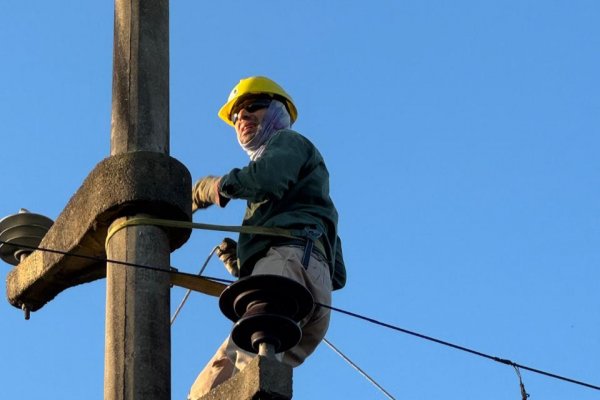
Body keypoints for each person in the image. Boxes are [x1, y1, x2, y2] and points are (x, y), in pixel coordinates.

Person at [188, 76, 346, 399]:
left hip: (290, 272)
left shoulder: (288, 143)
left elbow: (266, 179)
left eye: (252, 108)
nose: (242, 118)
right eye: (236, 116)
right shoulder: (313, 195)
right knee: (225, 389)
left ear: (277, 111)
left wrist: (214, 188)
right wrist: (251, 264)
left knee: (218, 388)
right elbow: (338, 274)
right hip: (312, 303)